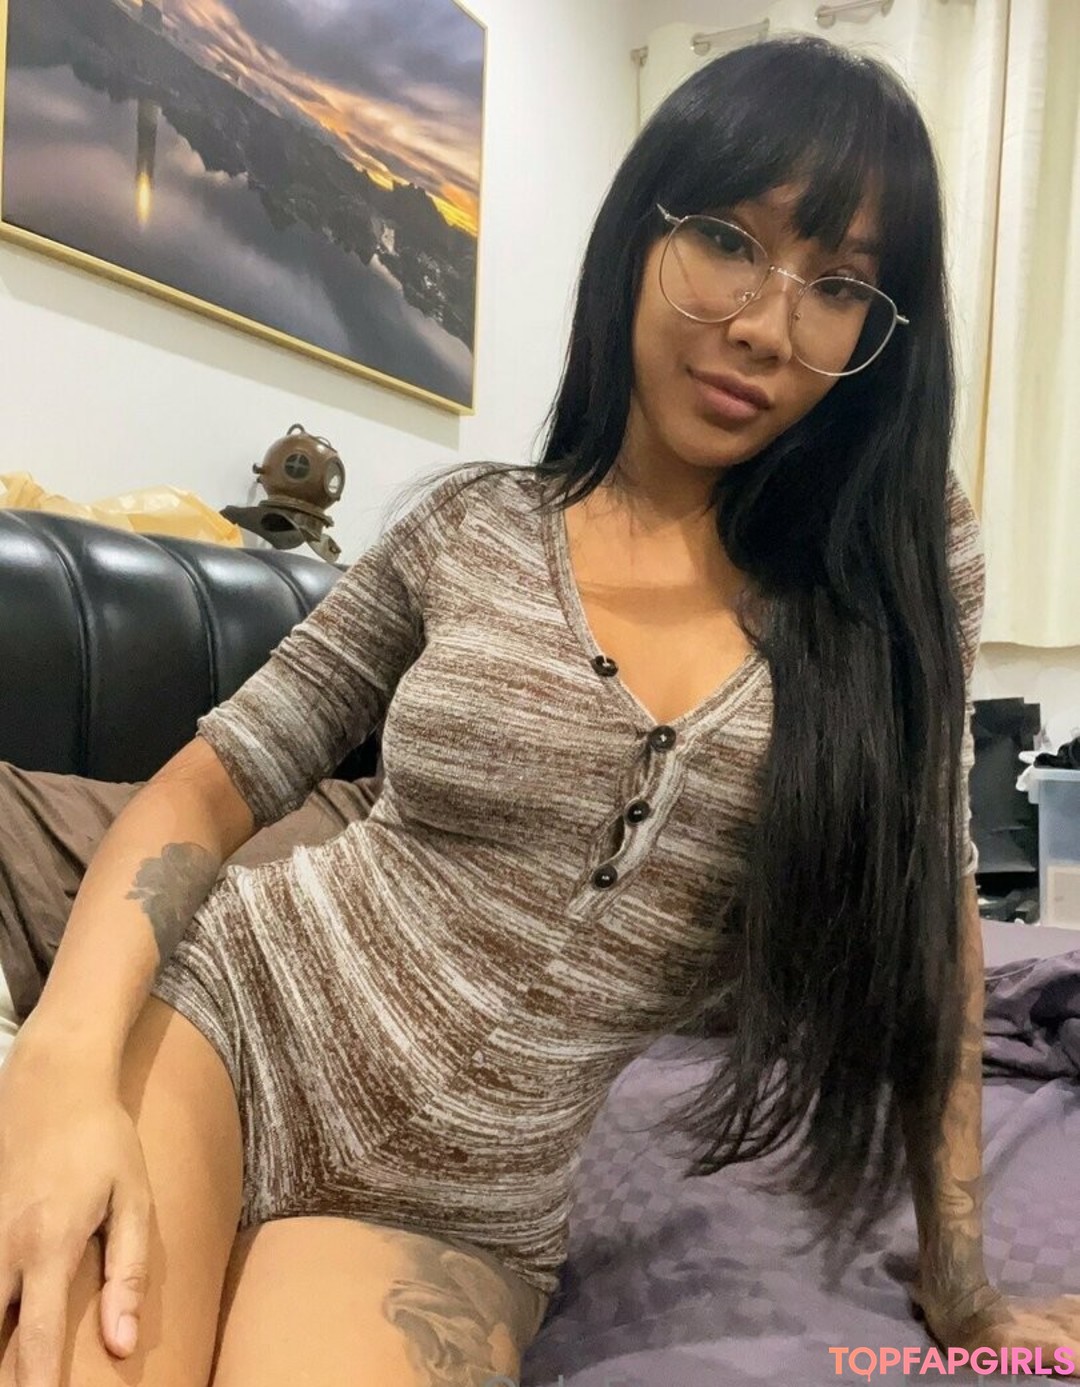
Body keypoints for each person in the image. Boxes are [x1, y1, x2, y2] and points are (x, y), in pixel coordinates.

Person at [1, 34, 1078, 1387]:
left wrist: (964, 1281)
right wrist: (62, 1062)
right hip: (232, 1021)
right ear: (640, 236)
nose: (766, 324)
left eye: (841, 283)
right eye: (728, 241)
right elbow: (211, 786)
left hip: (463, 1204)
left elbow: (932, 916)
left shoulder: (895, 579)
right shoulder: (468, 528)